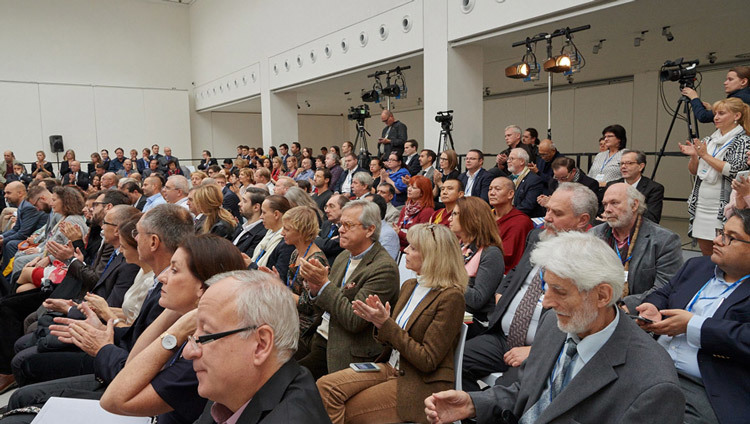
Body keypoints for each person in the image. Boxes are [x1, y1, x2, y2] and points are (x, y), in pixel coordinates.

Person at [426, 231, 685, 424]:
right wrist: (473, 403)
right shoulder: (556, 323)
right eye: (545, 287)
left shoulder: (653, 386)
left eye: (559, 291)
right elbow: (528, 392)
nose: (547, 303)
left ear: (603, 295)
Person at [0, 204, 195, 424]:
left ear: (153, 242)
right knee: (34, 338)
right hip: (116, 358)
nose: (165, 276)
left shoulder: (174, 296)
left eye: (136, 234)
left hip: (120, 374)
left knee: (26, 368)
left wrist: (103, 342)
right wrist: (102, 328)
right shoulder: (163, 287)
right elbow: (136, 337)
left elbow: (133, 370)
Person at [317, 223, 466, 423]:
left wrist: (387, 324)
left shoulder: (451, 298)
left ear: (431, 256)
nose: (405, 250)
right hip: (391, 366)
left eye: (413, 248)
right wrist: (379, 324)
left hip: (418, 382)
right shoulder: (410, 285)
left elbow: (428, 360)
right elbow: (392, 337)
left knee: (349, 409)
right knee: (325, 386)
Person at [460, 183, 598, 392]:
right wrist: (501, 292)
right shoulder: (538, 236)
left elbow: (584, 324)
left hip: (542, 349)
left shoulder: (591, 259)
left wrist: (537, 350)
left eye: (557, 213)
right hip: (502, 337)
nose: (548, 217)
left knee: (506, 393)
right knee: (452, 363)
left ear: (583, 220)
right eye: (548, 209)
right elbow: (517, 271)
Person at [99, 235, 246, 424]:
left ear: (204, 286)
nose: (162, 277)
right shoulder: (188, 320)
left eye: (174, 270)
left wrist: (179, 329)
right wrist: (175, 312)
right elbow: (131, 365)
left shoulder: (205, 351)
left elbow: (115, 399)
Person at [637, 209, 750, 424]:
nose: (717, 240)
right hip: (651, 365)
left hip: (706, 384)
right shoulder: (698, 266)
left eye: (730, 237)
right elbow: (665, 292)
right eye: (720, 232)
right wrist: (653, 306)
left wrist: (692, 326)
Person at [182, 270, 331, 424]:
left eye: (207, 335)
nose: (188, 352)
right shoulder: (234, 392)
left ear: (261, 345)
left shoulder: (289, 417)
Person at [297, 200, 400, 380]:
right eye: (340, 224)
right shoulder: (344, 256)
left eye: (348, 225)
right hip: (319, 334)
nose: (340, 230)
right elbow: (323, 306)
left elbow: (354, 321)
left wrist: (323, 286)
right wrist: (315, 290)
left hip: (345, 347)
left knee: (290, 381)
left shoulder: (383, 268)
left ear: (369, 230)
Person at [591, 183, 683, 313]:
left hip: (639, 313)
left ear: (634, 205)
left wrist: (625, 306)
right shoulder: (593, 236)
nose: (607, 209)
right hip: (597, 309)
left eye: (614, 203)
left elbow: (666, 286)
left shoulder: (664, 240)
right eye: (605, 204)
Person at [680, 97, 750, 255]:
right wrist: (693, 156)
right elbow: (694, 171)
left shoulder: (743, 141)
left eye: (721, 113)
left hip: (722, 206)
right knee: (705, 253)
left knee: (724, 251)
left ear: (736, 116)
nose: (715, 117)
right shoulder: (709, 139)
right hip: (702, 203)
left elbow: (733, 170)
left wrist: (704, 155)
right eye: (715, 113)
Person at [450, 196, 504, 338]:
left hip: (475, 323)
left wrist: (448, 279)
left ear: (471, 218)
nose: (450, 218)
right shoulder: (460, 247)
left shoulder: (491, 253)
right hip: (454, 311)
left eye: (455, 214)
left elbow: (477, 299)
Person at [276, 206, 328, 338]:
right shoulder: (295, 253)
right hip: (291, 315)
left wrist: (280, 289)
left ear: (302, 232)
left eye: (287, 229)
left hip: (305, 327)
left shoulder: (315, 261)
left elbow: (309, 306)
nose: (282, 233)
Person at [488, 176, 533, 274]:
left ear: (510, 194)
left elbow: (507, 255)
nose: (492, 193)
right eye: (490, 189)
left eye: (497, 189)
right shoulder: (486, 217)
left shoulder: (520, 221)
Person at [606, 149, 665, 223]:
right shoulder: (612, 185)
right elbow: (602, 211)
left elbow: (652, 218)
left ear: (641, 166)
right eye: (621, 163)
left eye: (629, 163)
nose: (623, 166)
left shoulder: (653, 188)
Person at [0, 182, 46, 273]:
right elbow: (16, 229)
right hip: (30, 237)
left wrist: (3, 240)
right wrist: (1, 237)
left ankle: (8, 274)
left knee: (10, 244)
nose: (5, 196)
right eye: (5, 193)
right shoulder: (23, 205)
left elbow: (23, 233)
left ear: (20, 193)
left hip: (37, 240)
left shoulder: (28, 207)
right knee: (7, 241)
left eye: (9, 193)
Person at [682, 66, 750, 123]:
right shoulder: (745, 96)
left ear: (743, 82)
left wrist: (694, 98)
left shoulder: (738, 99)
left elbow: (703, 117)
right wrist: (713, 110)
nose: (725, 83)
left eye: (730, 79)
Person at [250, 195, 295, 280]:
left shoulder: (286, 242)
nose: (261, 217)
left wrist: (250, 265)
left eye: (264, 212)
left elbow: (278, 278)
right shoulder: (268, 232)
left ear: (276, 214)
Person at [395, 175, 434, 251]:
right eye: (409, 186)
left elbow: (420, 238)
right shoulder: (405, 208)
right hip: (398, 247)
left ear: (422, 192)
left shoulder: (427, 211)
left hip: (414, 251)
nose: (409, 189)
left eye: (414, 188)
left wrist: (400, 233)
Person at [505, 148, 545, 217]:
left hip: (525, 219)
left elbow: (527, 206)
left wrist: (508, 216)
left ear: (522, 161)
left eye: (512, 159)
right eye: (508, 159)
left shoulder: (534, 180)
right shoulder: (507, 179)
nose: (508, 161)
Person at [232, 187, 267, 256]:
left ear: (256, 207)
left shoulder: (260, 235)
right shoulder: (243, 227)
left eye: (244, 201)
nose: (239, 204)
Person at [315, 194, 348, 265]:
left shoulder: (347, 227)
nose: (327, 210)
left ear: (344, 208)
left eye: (331, 206)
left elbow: (328, 246)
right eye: (326, 207)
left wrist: (317, 239)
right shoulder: (326, 224)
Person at [365, 193, 399, 261]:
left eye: (365, 206)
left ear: (376, 210)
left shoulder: (388, 234)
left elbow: (385, 262)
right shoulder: (362, 228)